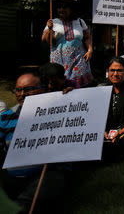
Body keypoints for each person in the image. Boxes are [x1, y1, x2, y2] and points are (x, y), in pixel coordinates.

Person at [1, 73, 70, 212]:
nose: (22, 94)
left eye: (28, 89)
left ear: (43, 89)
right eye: (18, 90)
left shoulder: (58, 111)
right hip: (11, 176)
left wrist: (71, 99)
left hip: (45, 174)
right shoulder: (6, 116)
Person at [41, 0, 93, 88]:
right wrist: (49, 29)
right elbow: (44, 39)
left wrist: (90, 50)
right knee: (59, 87)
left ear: (71, 9)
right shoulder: (53, 22)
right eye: (59, 7)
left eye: (65, 7)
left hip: (78, 61)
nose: (61, 10)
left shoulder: (80, 21)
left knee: (77, 89)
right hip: (59, 62)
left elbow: (87, 37)